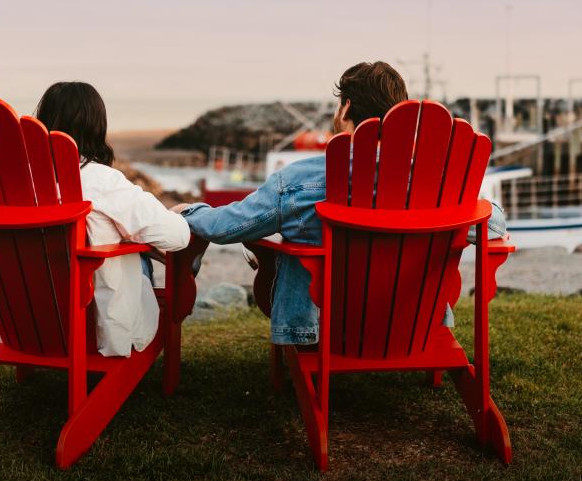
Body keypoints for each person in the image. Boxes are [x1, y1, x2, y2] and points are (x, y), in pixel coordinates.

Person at [176, 62, 506, 346]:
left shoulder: (300, 178)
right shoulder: (437, 182)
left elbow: (226, 228)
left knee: (270, 241)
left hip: (320, 327)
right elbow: (494, 226)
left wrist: (189, 212)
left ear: (345, 108)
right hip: (414, 327)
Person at [35, 81, 190, 357]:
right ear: (96, 126)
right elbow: (177, 237)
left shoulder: (21, 183)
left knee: (119, 230)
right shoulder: (100, 180)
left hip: (35, 322)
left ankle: (145, 234)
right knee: (157, 230)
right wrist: (175, 217)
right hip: (95, 326)